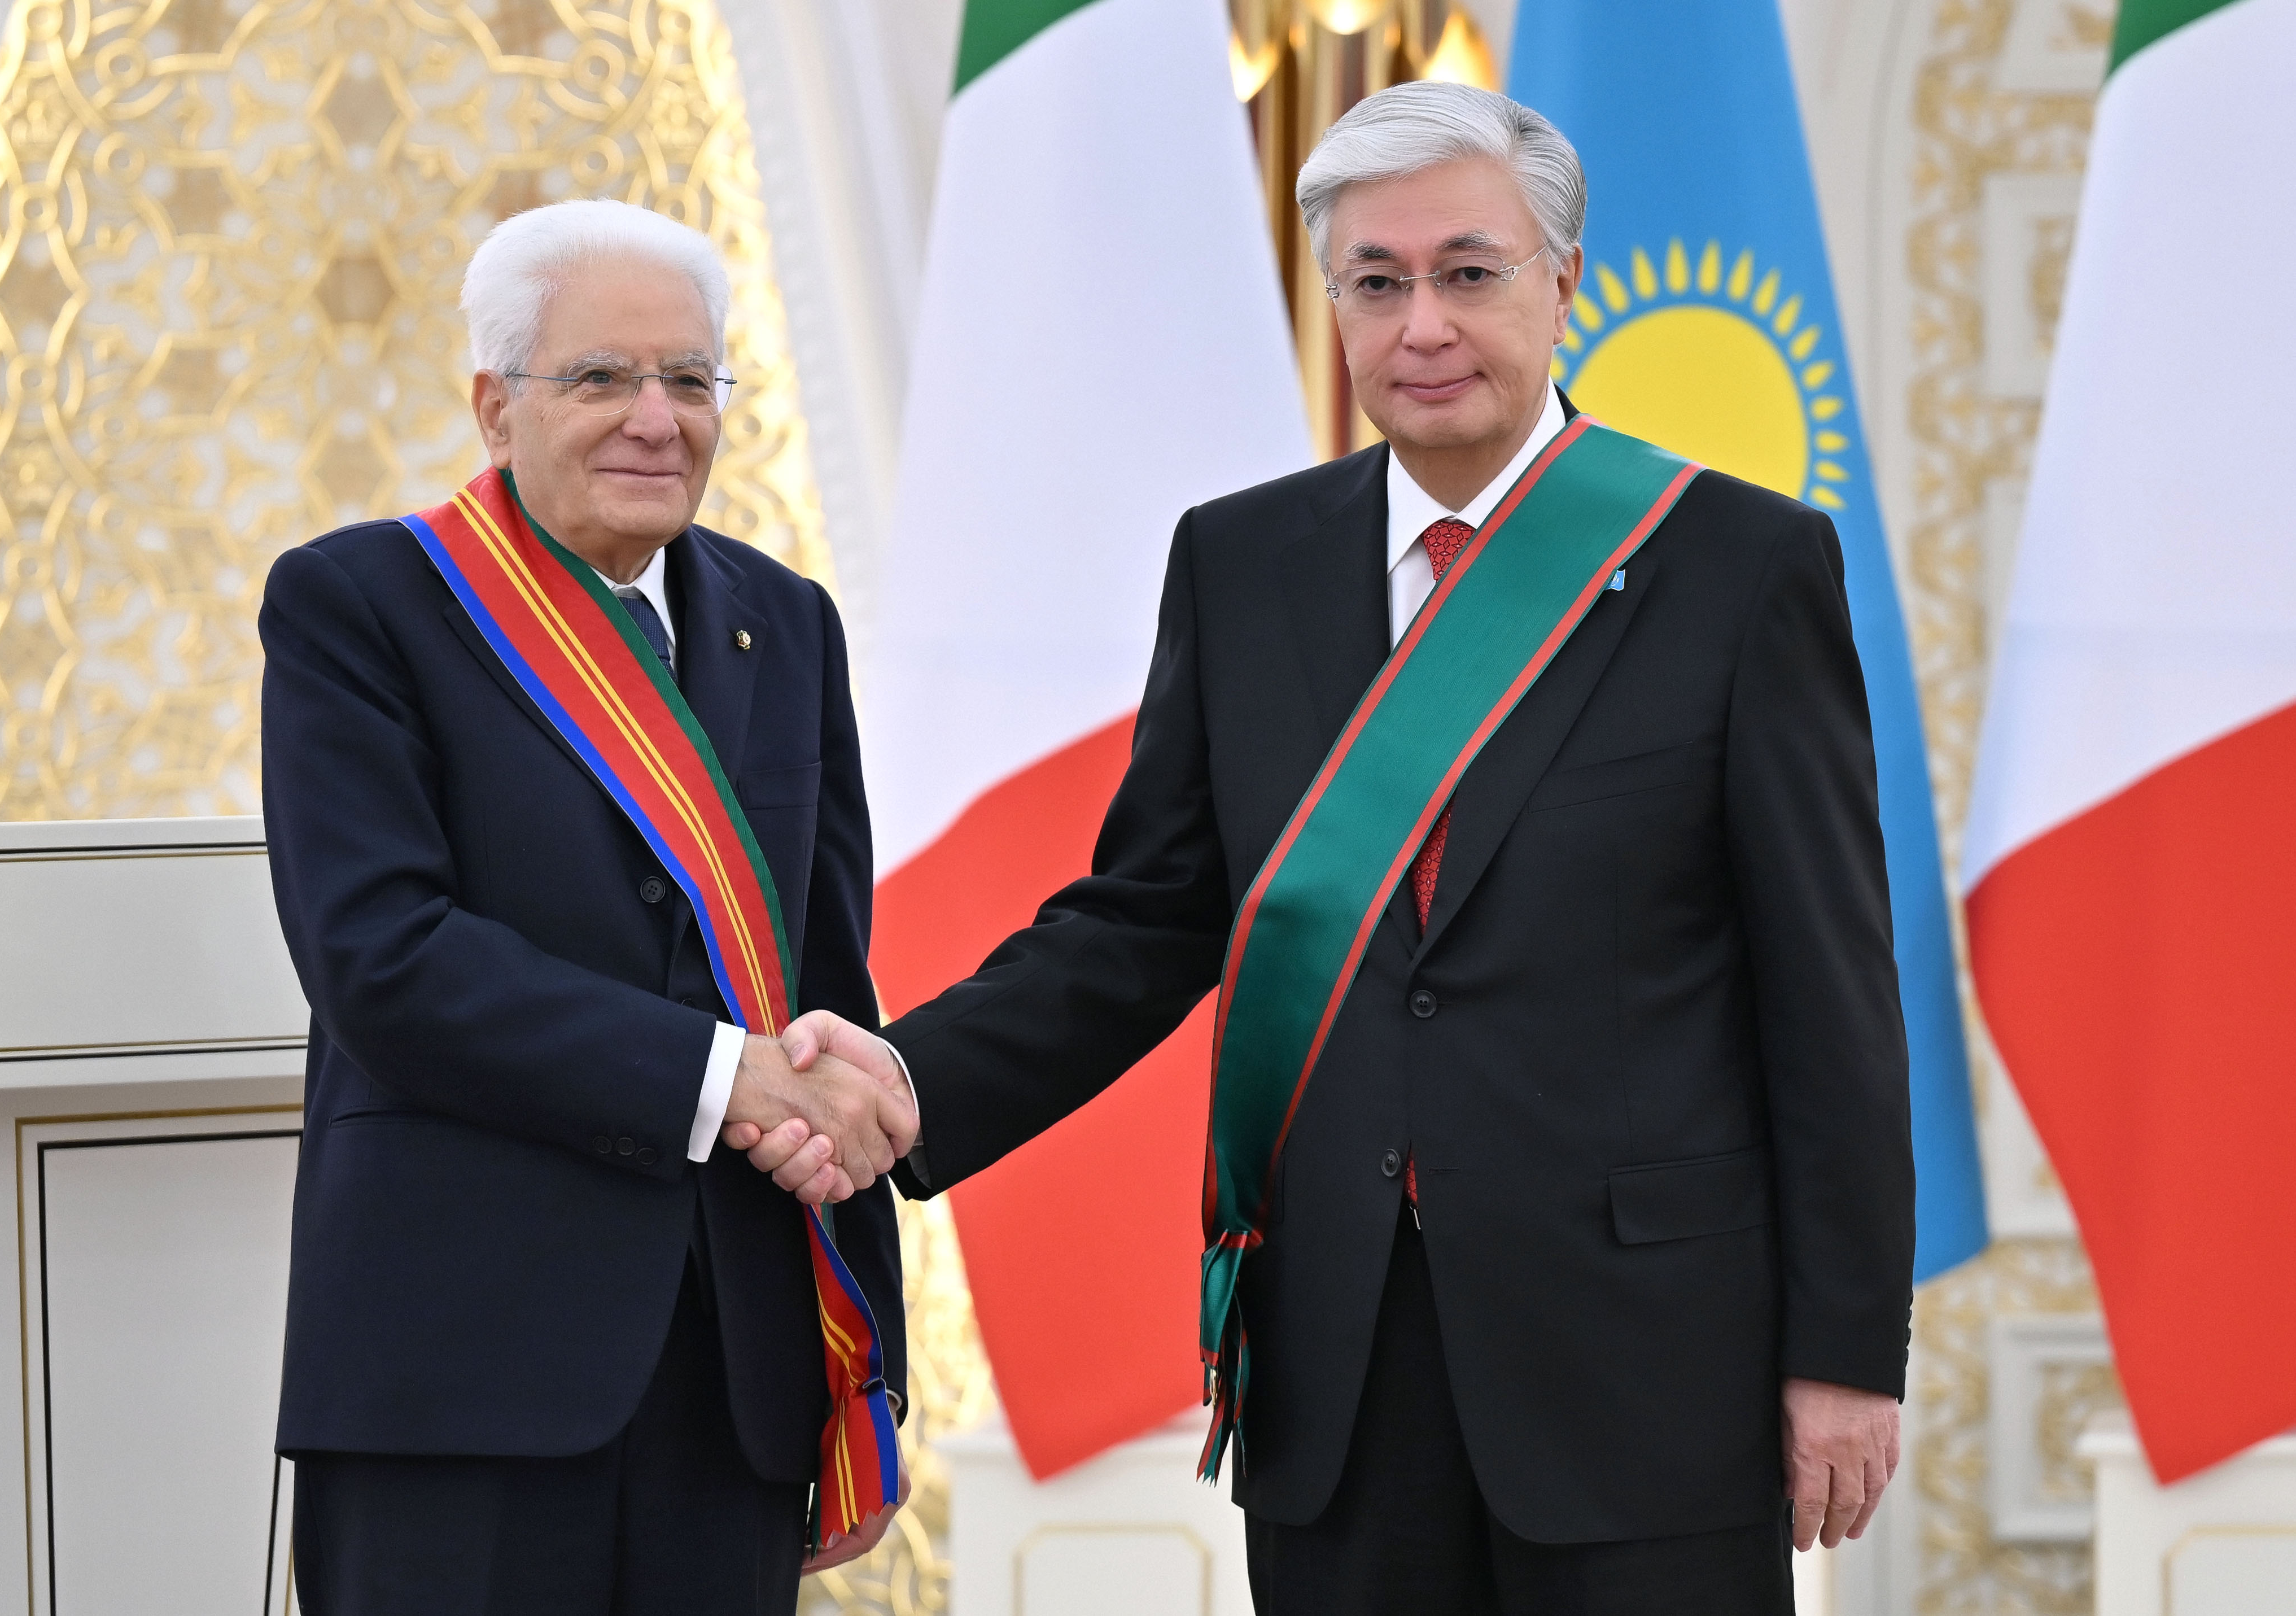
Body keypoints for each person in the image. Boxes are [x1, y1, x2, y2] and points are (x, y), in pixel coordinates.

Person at [751, 83, 1914, 1613]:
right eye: (1375, 281)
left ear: (1562, 281)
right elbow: (1148, 918)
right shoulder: (1240, 563)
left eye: (1467, 272)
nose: (1421, 323)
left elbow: (1828, 991)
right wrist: (910, 1080)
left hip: (1644, 1362)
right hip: (1338, 1360)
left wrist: (1842, 1351)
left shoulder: (1738, 564)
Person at [260, 198, 920, 1615]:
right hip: (460, 1371)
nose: (656, 420)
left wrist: (865, 1378)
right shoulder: (360, 604)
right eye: (602, 377)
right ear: (495, 406)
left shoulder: (786, 622)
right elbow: (383, 960)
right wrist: (718, 1078)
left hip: (737, 1378)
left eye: (689, 379)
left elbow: (826, 997)